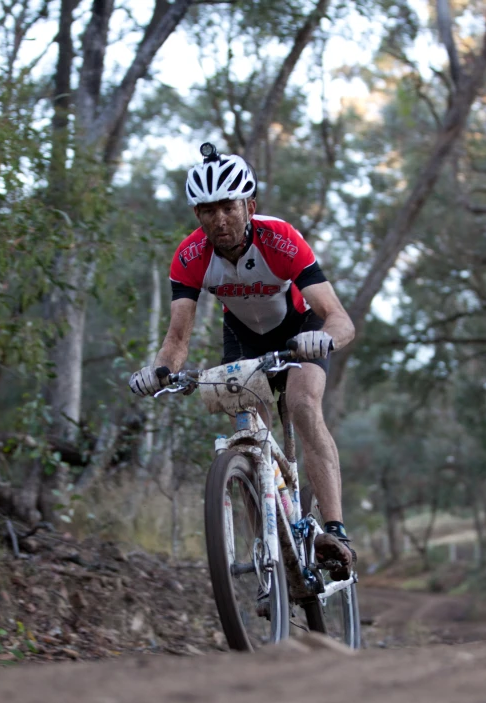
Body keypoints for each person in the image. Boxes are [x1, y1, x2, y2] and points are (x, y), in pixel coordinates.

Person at [129, 142, 357, 580]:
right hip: (241, 339)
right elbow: (176, 341)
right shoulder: (190, 257)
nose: (220, 219)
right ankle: (271, 552)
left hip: (299, 331)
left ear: (249, 204)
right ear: (198, 215)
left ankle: (335, 531)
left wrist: (322, 341)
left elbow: (340, 319)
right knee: (248, 438)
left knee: (304, 405)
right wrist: (157, 373)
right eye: (208, 210)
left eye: (229, 207)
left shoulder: (280, 238)